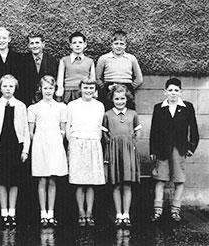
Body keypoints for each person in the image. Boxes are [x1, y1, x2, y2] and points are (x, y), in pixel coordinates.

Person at [149, 78, 199, 222]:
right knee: (160, 179)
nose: (173, 93)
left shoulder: (187, 107)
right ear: (165, 92)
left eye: (176, 90)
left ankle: (175, 210)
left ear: (181, 92)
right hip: (162, 148)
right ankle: (157, 211)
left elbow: (194, 129)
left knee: (179, 179)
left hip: (180, 148)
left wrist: (191, 147)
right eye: (170, 90)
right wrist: (153, 150)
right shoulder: (159, 108)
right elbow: (154, 131)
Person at [0, 74, 30, 227]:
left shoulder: (21, 106)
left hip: (15, 146)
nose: (8, 89)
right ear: (0, 88)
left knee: (14, 182)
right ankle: (3, 212)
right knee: (2, 182)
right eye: (5, 86)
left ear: (15, 88)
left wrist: (25, 150)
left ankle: (12, 212)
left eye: (11, 86)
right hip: (1, 146)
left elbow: (25, 130)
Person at [27, 75, 68, 227]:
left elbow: (63, 130)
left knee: (52, 180)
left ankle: (51, 214)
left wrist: (56, 142)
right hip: (40, 144)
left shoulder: (61, 107)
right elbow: (31, 132)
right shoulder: (34, 108)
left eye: (51, 88)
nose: (48, 91)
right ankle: (43, 214)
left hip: (55, 144)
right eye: (45, 88)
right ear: (40, 89)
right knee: (42, 179)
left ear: (55, 89)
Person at [66, 77, 105, 227]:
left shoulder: (99, 106)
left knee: (91, 182)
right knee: (79, 181)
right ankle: (80, 212)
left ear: (94, 90)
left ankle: (90, 212)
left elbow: (99, 126)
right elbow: (69, 126)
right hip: (77, 142)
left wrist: (96, 141)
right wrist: (72, 143)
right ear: (80, 89)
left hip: (93, 143)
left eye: (91, 88)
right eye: (85, 88)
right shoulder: (72, 105)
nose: (88, 91)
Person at [102, 84, 141, 227]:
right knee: (117, 184)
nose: (120, 101)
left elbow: (138, 132)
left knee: (127, 184)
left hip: (128, 151)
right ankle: (118, 214)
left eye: (122, 98)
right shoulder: (107, 114)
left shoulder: (133, 114)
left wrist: (132, 144)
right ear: (112, 99)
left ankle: (126, 214)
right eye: (117, 99)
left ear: (127, 98)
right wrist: (111, 145)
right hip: (114, 151)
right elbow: (104, 133)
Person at [96, 30, 144, 110]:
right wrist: (104, 87)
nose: (119, 46)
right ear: (111, 45)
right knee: (108, 112)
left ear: (125, 45)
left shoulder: (131, 58)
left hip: (126, 88)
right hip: (109, 88)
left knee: (128, 113)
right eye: (116, 44)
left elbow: (139, 78)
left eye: (121, 44)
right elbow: (97, 77)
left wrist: (129, 87)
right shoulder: (104, 58)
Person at [56, 31, 96, 104]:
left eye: (80, 42)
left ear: (85, 44)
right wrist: (59, 92)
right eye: (74, 43)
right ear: (70, 45)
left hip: (84, 92)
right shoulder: (64, 60)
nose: (77, 45)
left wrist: (94, 93)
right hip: (68, 93)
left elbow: (93, 78)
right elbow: (60, 79)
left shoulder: (90, 61)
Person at [0, 27, 23, 103]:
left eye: (4, 38)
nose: (1, 41)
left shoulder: (18, 57)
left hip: (14, 96)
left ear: (9, 39)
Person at [21, 33, 58, 105]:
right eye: (32, 43)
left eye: (37, 43)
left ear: (43, 44)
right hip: (28, 99)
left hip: (46, 99)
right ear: (28, 45)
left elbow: (54, 79)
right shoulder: (23, 60)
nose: (34, 46)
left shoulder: (51, 60)